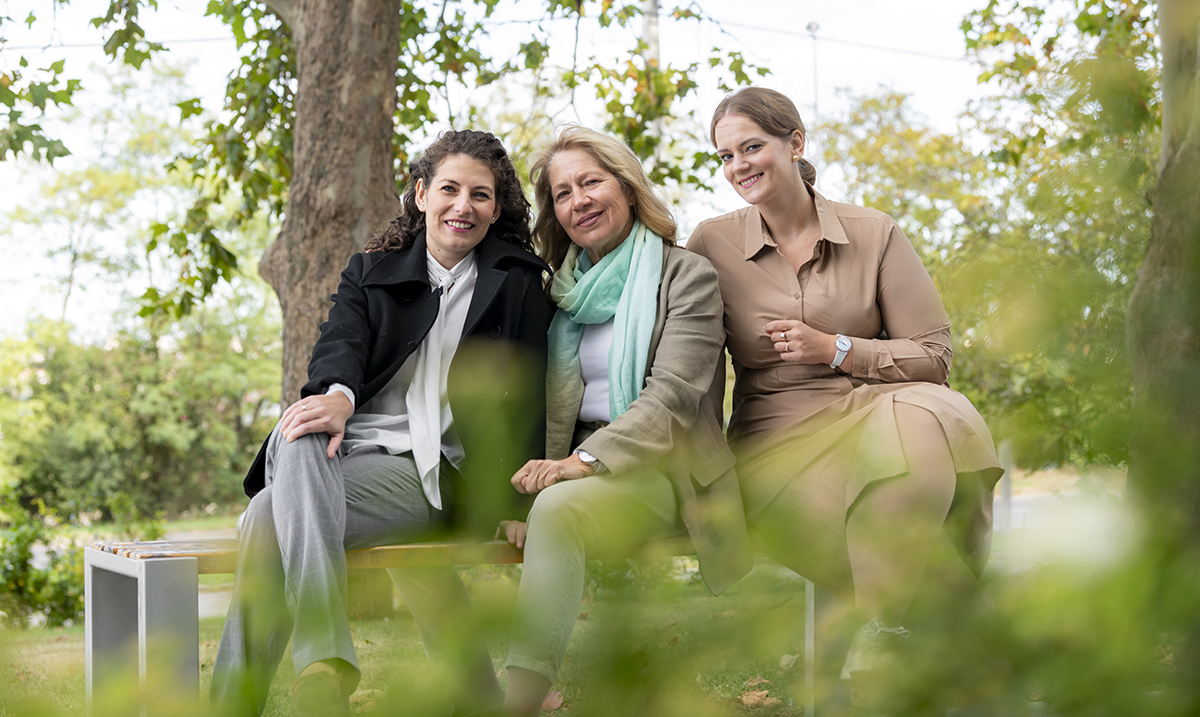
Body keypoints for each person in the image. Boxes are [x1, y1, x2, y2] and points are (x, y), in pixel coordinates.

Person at [209, 129, 551, 717]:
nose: (463, 206)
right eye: (449, 189)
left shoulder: (515, 281)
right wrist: (339, 395)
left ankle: (275, 688)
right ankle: (323, 670)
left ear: (497, 209)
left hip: (434, 474)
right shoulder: (371, 271)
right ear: (421, 194)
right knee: (304, 430)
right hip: (348, 456)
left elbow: (528, 395)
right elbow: (338, 343)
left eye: (480, 195)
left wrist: (517, 501)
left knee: (268, 515)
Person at [688, 88, 1004, 685]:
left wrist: (836, 348)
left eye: (751, 148)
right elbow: (692, 368)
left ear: (795, 143)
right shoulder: (711, 242)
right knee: (921, 528)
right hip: (777, 442)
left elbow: (934, 356)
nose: (738, 167)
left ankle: (888, 631)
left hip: (875, 415)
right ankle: (975, 662)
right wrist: (703, 480)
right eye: (725, 156)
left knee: (926, 415)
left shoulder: (874, 232)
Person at [496, 125, 753, 716]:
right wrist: (520, 497)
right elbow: (528, 403)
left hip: (664, 468)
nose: (578, 201)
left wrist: (579, 464)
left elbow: (672, 399)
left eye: (591, 182)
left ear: (628, 187)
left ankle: (519, 704)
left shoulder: (686, 276)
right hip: (575, 468)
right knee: (550, 507)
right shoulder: (560, 292)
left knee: (558, 508)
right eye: (562, 193)